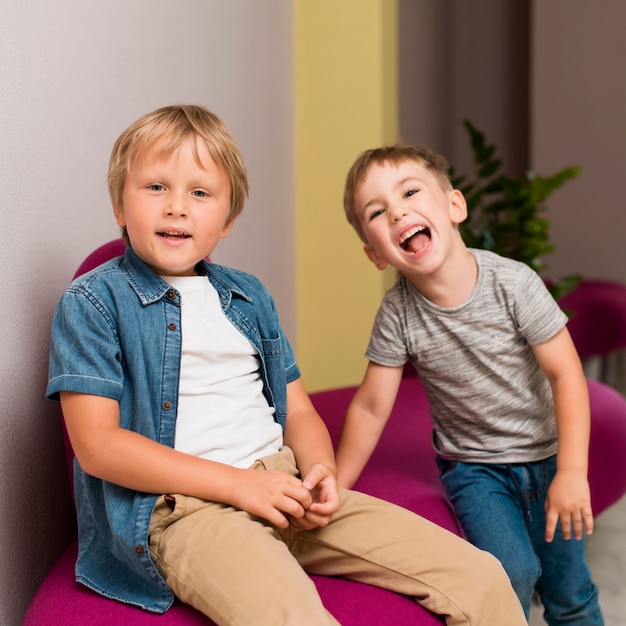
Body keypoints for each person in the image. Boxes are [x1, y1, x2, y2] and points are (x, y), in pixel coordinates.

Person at [47, 105, 527, 626]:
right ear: (120, 203)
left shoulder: (247, 296)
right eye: (156, 187)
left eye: (200, 193)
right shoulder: (94, 301)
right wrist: (237, 486)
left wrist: (322, 470)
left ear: (228, 219)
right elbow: (97, 447)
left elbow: (297, 410)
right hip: (190, 510)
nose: (177, 208)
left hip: (285, 485)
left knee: (480, 576)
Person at [335, 143, 604, 625]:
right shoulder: (398, 314)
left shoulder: (514, 284)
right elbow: (372, 406)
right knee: (510, 574)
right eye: (378, 211)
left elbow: (565, 375)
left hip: (546, 457)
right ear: (374, 253)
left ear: (454, 206)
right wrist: (338, 484)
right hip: (474, 469)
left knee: (570, 591)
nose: (398, 211)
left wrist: (572, 471)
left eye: (410, 191)